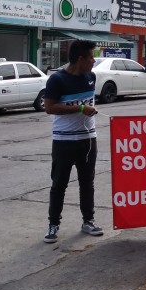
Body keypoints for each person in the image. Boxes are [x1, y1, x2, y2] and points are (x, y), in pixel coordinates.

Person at [43, 40, 103, 243]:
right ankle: (53, 224)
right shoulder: (57, 80)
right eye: (91, 57)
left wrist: (88, 109)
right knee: (59, 183)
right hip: (64, 141)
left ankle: (88, 221)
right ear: (80, 59)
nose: (94, 61)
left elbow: (88, 103)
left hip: (88, 139)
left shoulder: (91, 77)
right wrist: (79, 109)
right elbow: (50, 107)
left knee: (87, 183)